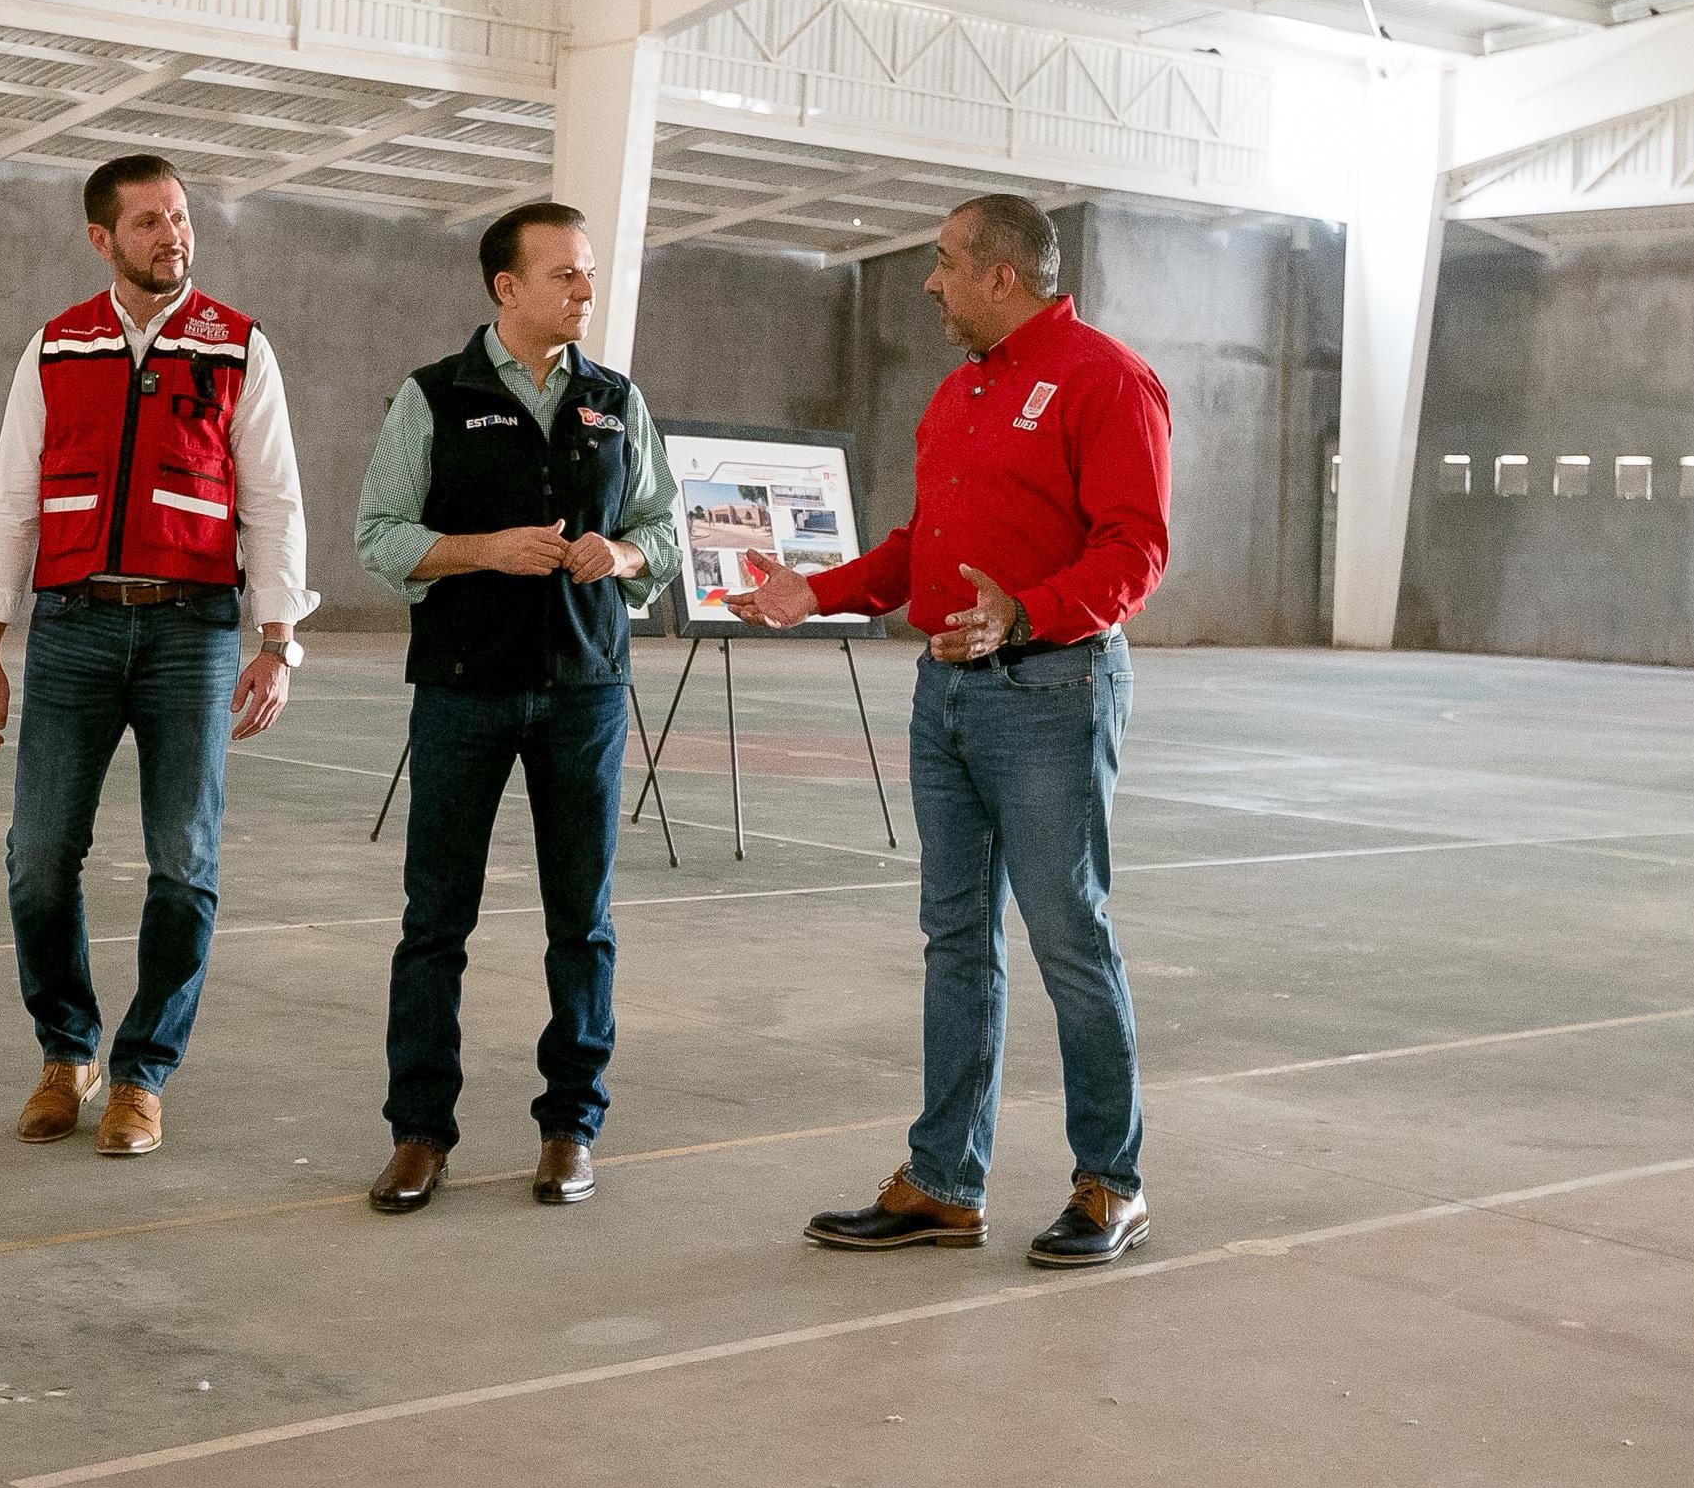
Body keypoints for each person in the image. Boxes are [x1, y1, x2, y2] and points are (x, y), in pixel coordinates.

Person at [731, 193, 1172, 1269]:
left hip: (1051, 691)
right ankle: (942, 1182)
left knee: (1069, 937)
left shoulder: (1105, 378)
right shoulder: (959, 392)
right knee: (955, 939)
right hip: (948, 696)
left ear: (999, 273)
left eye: (940, 261)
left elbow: (1135, 548)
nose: (927, 281)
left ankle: (1109, 1181)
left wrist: (1028, 610)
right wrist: (817, 590)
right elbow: (920, 544)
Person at [0, 152, 307, 1159]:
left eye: (182, 216)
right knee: (36, 860)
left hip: (192, 633)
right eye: (149, 220)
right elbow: (11, 502)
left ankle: (143, 1070)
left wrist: (277, 640)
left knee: (183, 862)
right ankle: (68, 1052)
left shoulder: (238, 346)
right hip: (69, 627)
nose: (173, 235)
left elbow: (274, 500)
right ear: (101, 237)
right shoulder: (56, 347)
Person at [351, 200, 681, 1215]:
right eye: (567, 275)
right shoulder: (431, 396)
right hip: (461, 690)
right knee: (433, 921)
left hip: (583, 694)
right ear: (507, 288)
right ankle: (418, 1131)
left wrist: (618, 554)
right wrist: (485, 548)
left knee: (580, 920)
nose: (585, 290)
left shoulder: (615, 399)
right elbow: (378, 533)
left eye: (586, 274)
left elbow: (660, 530)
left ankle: (568, 1125)